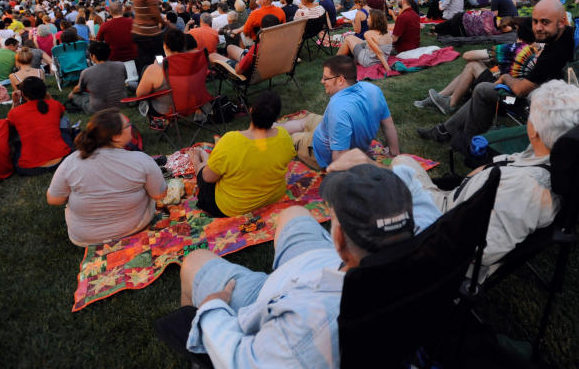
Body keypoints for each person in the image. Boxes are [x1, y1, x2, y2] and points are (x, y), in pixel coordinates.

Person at [178, 149, 439, 367]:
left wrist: (212, 309)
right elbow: (417, 194)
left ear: (337, 239)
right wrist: (374, 173)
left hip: (278, 297)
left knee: (193, 262)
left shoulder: (309, 328)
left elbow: (238, 359)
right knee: (293, 213)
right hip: (321, 267)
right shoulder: (429, 248)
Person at [396, 80, 579, 281]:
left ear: (534, 130)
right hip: (460, 203)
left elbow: (479, 250)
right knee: (401, 162)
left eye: (530, 115)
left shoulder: (524, 189)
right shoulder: (550, 156)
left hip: (443, 220)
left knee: (397, 169)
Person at [417, 0, 575, 144]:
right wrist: (514, 20)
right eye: (535, 22)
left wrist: (506, 77)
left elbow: (520, 90)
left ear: (561, 22)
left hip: (519, 105)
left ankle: (466, 141)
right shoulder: (566, 35)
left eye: (545, 22)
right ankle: (444, 129)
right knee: (485, 90)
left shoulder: (549, 55)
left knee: (482, 88)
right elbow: (533, 23)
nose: (538, 28)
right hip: (539, 95)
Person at [46, 109, 167, 246]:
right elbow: (159, 194)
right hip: (133, 228)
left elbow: (54, 199)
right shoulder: (141, 161)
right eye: (128, 125)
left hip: (84, 237)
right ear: (116, 136)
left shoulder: (71, 162)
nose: (131, 127)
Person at [277, 55, 400, 170]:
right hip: (328, 130)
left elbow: (340, 158)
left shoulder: (339, 110)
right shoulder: (373, 90)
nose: (322, 81)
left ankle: (267, 133)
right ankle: (272, 126)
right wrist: (394, 153)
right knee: (306, 120)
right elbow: (388, 125)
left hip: (318, 151)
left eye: (326, 78)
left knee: (292, 139)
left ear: (341, 80)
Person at [187, 91, 295, 217]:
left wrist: (197, 163)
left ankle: (198, 158)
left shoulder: (231, 141)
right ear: (276, 117)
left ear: (251, 110)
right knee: (216, 165)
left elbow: (208, 177)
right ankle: (204, 156)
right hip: (273, 196)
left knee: (203, 174)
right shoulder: (284, 135)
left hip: (233, 207)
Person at [7, 77, 70, 175]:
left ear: (23, 94)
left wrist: (15, 103)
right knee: (63, 124)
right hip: (63, 159)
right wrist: (49, 97)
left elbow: (9, 124)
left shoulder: (15, 112)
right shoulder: (54, 105)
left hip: (30, 168)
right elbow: (61, 113)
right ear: (45, 91)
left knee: (17, 142)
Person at [135, 28, 193, 124]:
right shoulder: (194, 62)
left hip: (165, 111)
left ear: (165, 46)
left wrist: (154, 68)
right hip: (191, 105)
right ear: (184, 45)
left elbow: (140, 95)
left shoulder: (155, 69)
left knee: (146, 73)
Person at [68, 40, 127, 114]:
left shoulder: (87, 72)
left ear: (93, 56)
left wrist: (72, 92)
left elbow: (79, 89)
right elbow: (124, 79)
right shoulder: (121, 65)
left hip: (97, 108)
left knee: (76, 96)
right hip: (121, 103)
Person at [132, 0, 165, 75]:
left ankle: (144, 82)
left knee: (144, 60)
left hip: (138, 31)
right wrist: (166, 23)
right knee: (160, 57)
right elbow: (154, 12)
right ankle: (161, 77)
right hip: (150, 33)